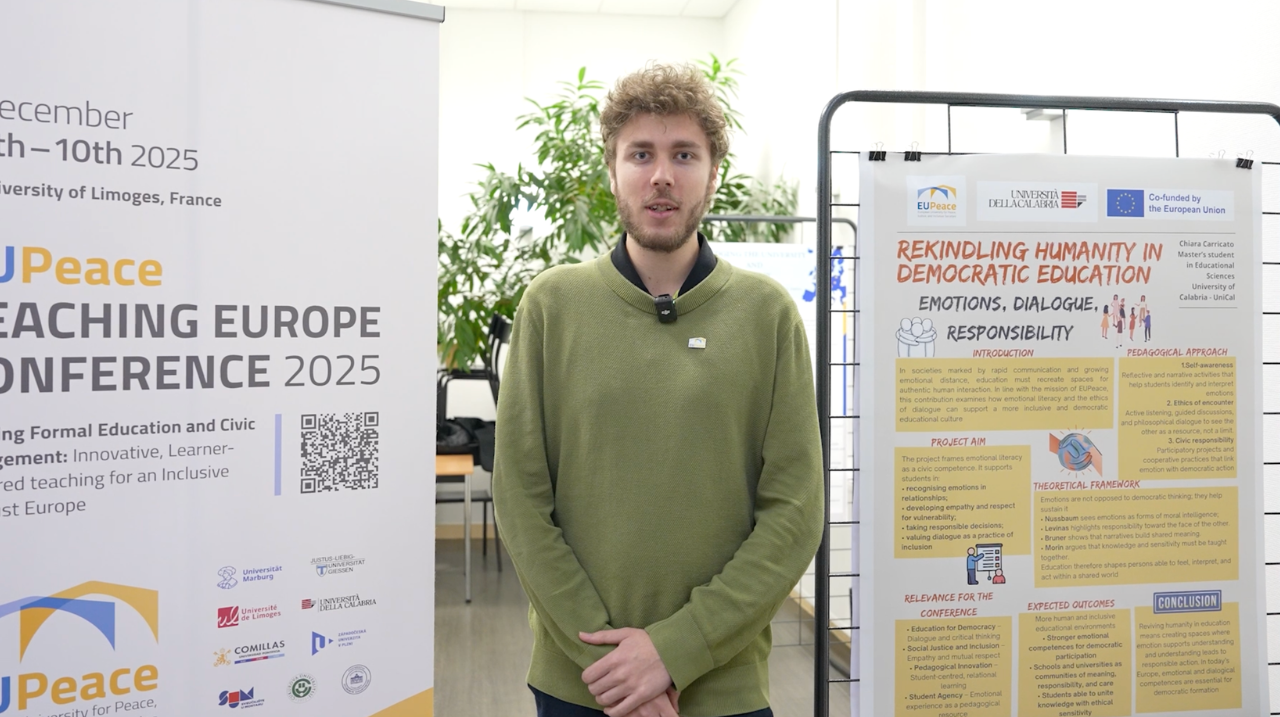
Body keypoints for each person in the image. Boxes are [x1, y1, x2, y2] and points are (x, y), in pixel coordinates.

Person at [492, 63, 824, 717]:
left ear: (713, 172)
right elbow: (522, 502)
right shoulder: (552, 305)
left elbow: (794, 513)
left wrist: (674, 650)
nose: (662, 175)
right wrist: (617, 668)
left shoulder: (767, 314)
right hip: (581, 685)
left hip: (720, 688)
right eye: (640, 153)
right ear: (612, 171)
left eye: (684, 154)